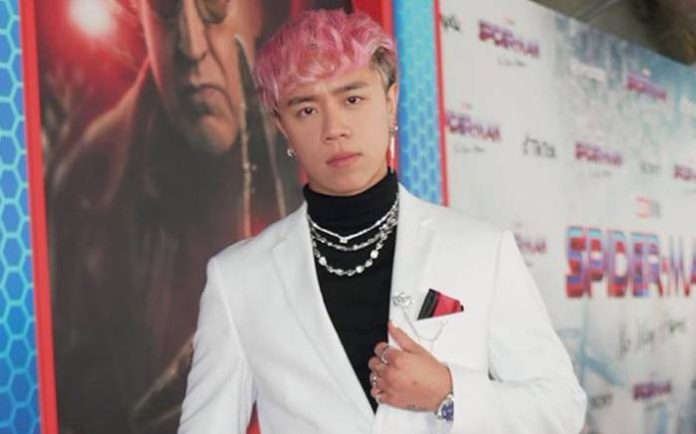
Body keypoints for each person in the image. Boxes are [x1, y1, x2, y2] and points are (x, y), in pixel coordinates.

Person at [178, 8, 587, 434]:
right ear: (282, 126)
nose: (334, 128)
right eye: (307, 110)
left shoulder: (481, 250)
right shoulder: (238, 278)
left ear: (390, 102)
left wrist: (449, 393)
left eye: (352, 99)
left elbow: (561, 408)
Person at [46, 0, 300, 433]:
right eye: (164, 8)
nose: (192, 48)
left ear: (261, 10)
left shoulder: (327, 153)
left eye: (214, 6)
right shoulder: (90, 187)